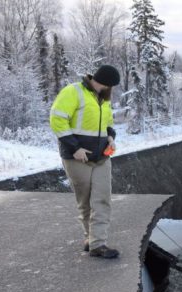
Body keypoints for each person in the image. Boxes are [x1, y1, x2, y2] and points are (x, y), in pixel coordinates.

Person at [49, 65, 121, 259]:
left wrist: (110, 137)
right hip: (77, 157)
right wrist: (75, 148)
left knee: (102, 199)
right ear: (105, 82)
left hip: (102, 157)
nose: (110, 89)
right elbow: (57, 119)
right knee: (85, 200)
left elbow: (108, 123)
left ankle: (98, 243)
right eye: (111, 85)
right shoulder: (73, 91)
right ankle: (90, 238)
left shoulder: (103, 98)